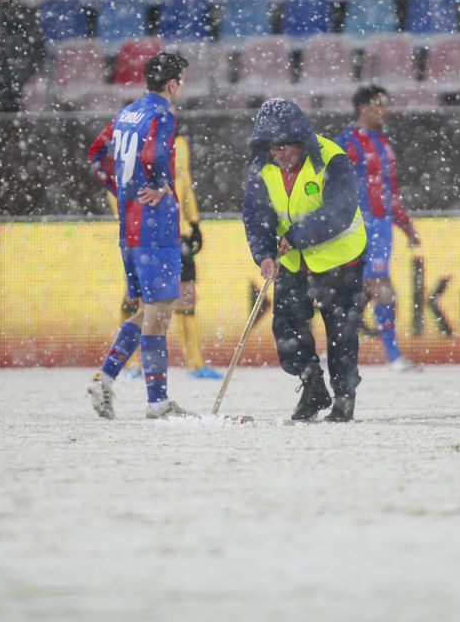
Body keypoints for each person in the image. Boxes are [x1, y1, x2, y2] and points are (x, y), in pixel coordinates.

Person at [242, 98, 368, 422]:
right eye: (273, 147)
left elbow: (340, 212)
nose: (280, 154)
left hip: (341, 260)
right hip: (294, 262)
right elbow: (256, 216)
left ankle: (344, 399)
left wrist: (298, 235)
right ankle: (312, 385)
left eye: (286, 146)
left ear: (301, 140)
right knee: (286, 326)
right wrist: (265, 254)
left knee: (341, 333)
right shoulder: (262, 167)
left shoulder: (331, 159)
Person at [86, 52, 193, 420]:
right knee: (160, 311)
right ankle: (157, 403)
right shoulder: (162, 114)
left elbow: (96, 151)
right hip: (155, 227)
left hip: (129, 228)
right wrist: (161, 184)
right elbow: (154, 152)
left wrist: (120, 189)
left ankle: (106, 379)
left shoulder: (127, 112)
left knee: (148, 309)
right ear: (173, 83)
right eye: (182, 79)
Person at [109, 127, 222, 380]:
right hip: (145, 235)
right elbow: (115, 189)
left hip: (176, 234)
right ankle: (132, 362)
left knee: (186, 295)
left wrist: (193, 222)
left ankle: (195, 363)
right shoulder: (126, 144)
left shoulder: (179, 142)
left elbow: (184, 182)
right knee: (137, 298)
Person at [335, 85, 422, 372]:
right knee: (380, 288)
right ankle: (393, 355)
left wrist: (405, 224)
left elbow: (391, 191)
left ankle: (336, 350)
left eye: (386, 104)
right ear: (363, 107)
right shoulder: (346, 143)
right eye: (379, 104)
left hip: (381, 226)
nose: (385, 110)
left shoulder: (383, 144)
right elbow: (331, 185)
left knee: (361, 292)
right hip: (360, 226)